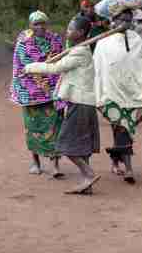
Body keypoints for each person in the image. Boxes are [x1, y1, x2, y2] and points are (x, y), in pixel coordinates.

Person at [24, 16, 101, 195]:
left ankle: (89, 175)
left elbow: (55, 68)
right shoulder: (77, 49)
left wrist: (30, 67)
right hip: (83, 102)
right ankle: (86, 184)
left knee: (65, 144)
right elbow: (67, 50)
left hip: (80, 103)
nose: (67, 32)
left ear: (81, 33)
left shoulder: (80, 52)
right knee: (82, 145)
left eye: (70, 29)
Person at [93, 9, 142, 184]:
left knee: (122, 129)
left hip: (133, 93)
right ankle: (129, 169)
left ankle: (115, 160)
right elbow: (99, 67)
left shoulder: (136, 40)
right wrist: (99, 90)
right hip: (111, 93)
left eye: (128, 20)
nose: (125, 23)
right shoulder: (104, 42)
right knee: (122, 128)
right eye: (121, 20)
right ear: (113, 21)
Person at [9, 11, 63, 177]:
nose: (39, 27)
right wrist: (41, 74)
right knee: (33, 127)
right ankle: (35, 162)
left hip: (52, 91)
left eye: (42, 23)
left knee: (55, 126)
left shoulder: (55, 41)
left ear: (46, 24)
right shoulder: (23, 43)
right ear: (30, 25)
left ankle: (55, 165)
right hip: (30, 93)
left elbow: (61, 62)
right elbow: (21, 68)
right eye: (35, 24)